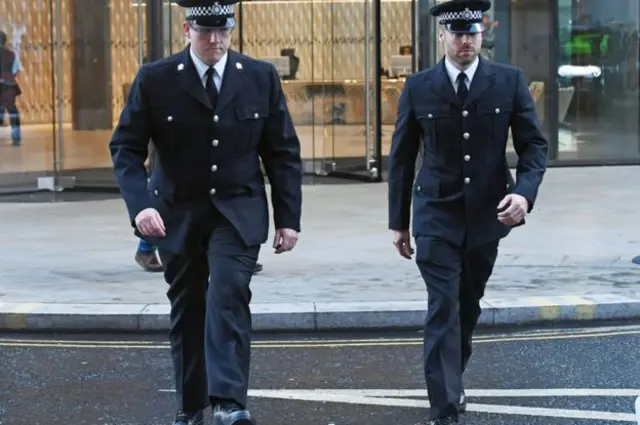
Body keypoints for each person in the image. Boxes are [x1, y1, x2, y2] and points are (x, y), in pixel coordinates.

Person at [109, 0, 303, 423]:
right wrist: (140, 206)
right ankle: (191, 405)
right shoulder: (156, 78)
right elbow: (125, 147)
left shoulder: (259, 76)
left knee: (229, 293)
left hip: (238, 210)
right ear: (186, 29)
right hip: (176, 212)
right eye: (205, 31)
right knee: (188, 305)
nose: (215, 40)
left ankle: (230, 403)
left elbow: (282, 152)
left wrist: (289, 219)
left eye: (223, 31)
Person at [387, 0, 548, 424]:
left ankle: (451, 381)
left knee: (467, 305)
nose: (465, 41)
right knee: (443, 305)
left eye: (472, 33)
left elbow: (535, 146)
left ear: (482, 35)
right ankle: (444, 410)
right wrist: (398, 223)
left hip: (486, 217)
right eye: (457, 34)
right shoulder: (419, 86)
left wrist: (525, 195)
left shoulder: (508, 81)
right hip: (435, 214)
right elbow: (402, 159)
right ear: (442, 36)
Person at [0, 30, 22, 146]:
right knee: (13, 112)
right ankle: (16, 138)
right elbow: (16, 70)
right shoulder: (11, 54)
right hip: (8, 86)